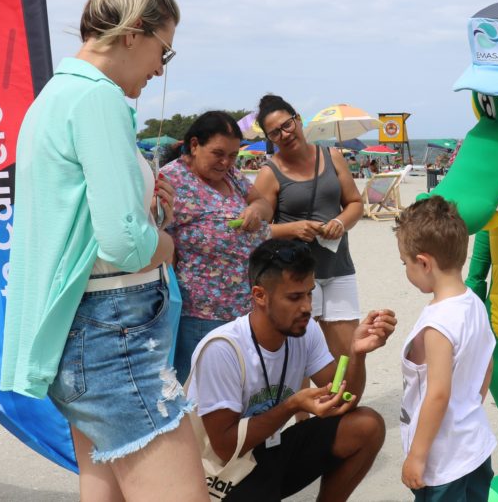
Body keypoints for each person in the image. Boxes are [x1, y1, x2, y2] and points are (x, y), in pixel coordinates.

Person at [0, 0, 207, 501]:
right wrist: (166, 243)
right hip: (116, 330)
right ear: (134, 33)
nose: (162, 66)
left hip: (86, 330)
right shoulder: (98, 99)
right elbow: (126, 243)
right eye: (165, 49)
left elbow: (80, 221)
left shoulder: (57, 96)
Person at [187, 239, 396, 502]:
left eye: (309, 293)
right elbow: (226, 447)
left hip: (270, 449)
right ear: (260, 295)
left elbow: (345, 401)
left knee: (367, 425)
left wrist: (357, 354)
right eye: (294, 297)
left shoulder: (304, 330)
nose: (307, 307)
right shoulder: (222, 349)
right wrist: (291, 406)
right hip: (221, 472)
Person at [393, 197, 495, 501]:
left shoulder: (438, 324)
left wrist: (418, 457)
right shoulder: (474, 304)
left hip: (443, 459)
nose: (406, 270)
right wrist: (469, 405)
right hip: (474, 444)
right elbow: (487, 364)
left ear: (423, 262)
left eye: (405, 263)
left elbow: (437, 393)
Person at [161, 111, 273, 383]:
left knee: (240, 391)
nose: (226, 162)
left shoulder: (232, 176)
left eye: (233, 155)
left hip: (244, 311)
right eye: (218, 153)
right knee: (200, 397)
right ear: (195, 144)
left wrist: (255, 210)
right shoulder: (170, 180)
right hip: (198, 315)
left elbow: (265, 206)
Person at [254, 94, 365, 361]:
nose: (284, 134)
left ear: (298, 120)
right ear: (270, 139)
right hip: (296, 275)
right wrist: (292, 229)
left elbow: (355, 203)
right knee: (301, 357)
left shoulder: (332, 156)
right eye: (275, 133)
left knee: (346, 353)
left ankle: (343, 403)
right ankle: (305, 404)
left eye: (287, 125)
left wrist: (340, 222)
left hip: (338, 266)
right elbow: (257, 229)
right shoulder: (269, 173)